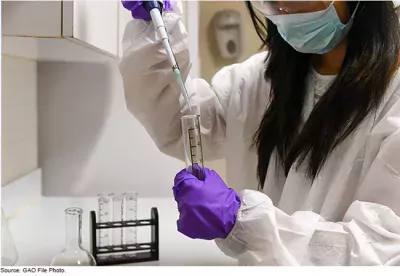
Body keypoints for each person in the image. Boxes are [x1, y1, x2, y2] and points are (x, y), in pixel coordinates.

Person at [119, 0, 400, 265]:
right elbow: (176, 122)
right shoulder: (261, 79)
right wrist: (155, 28)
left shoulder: (394, 98)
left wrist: (243, 222)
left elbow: (378, 249)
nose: (284, 11)